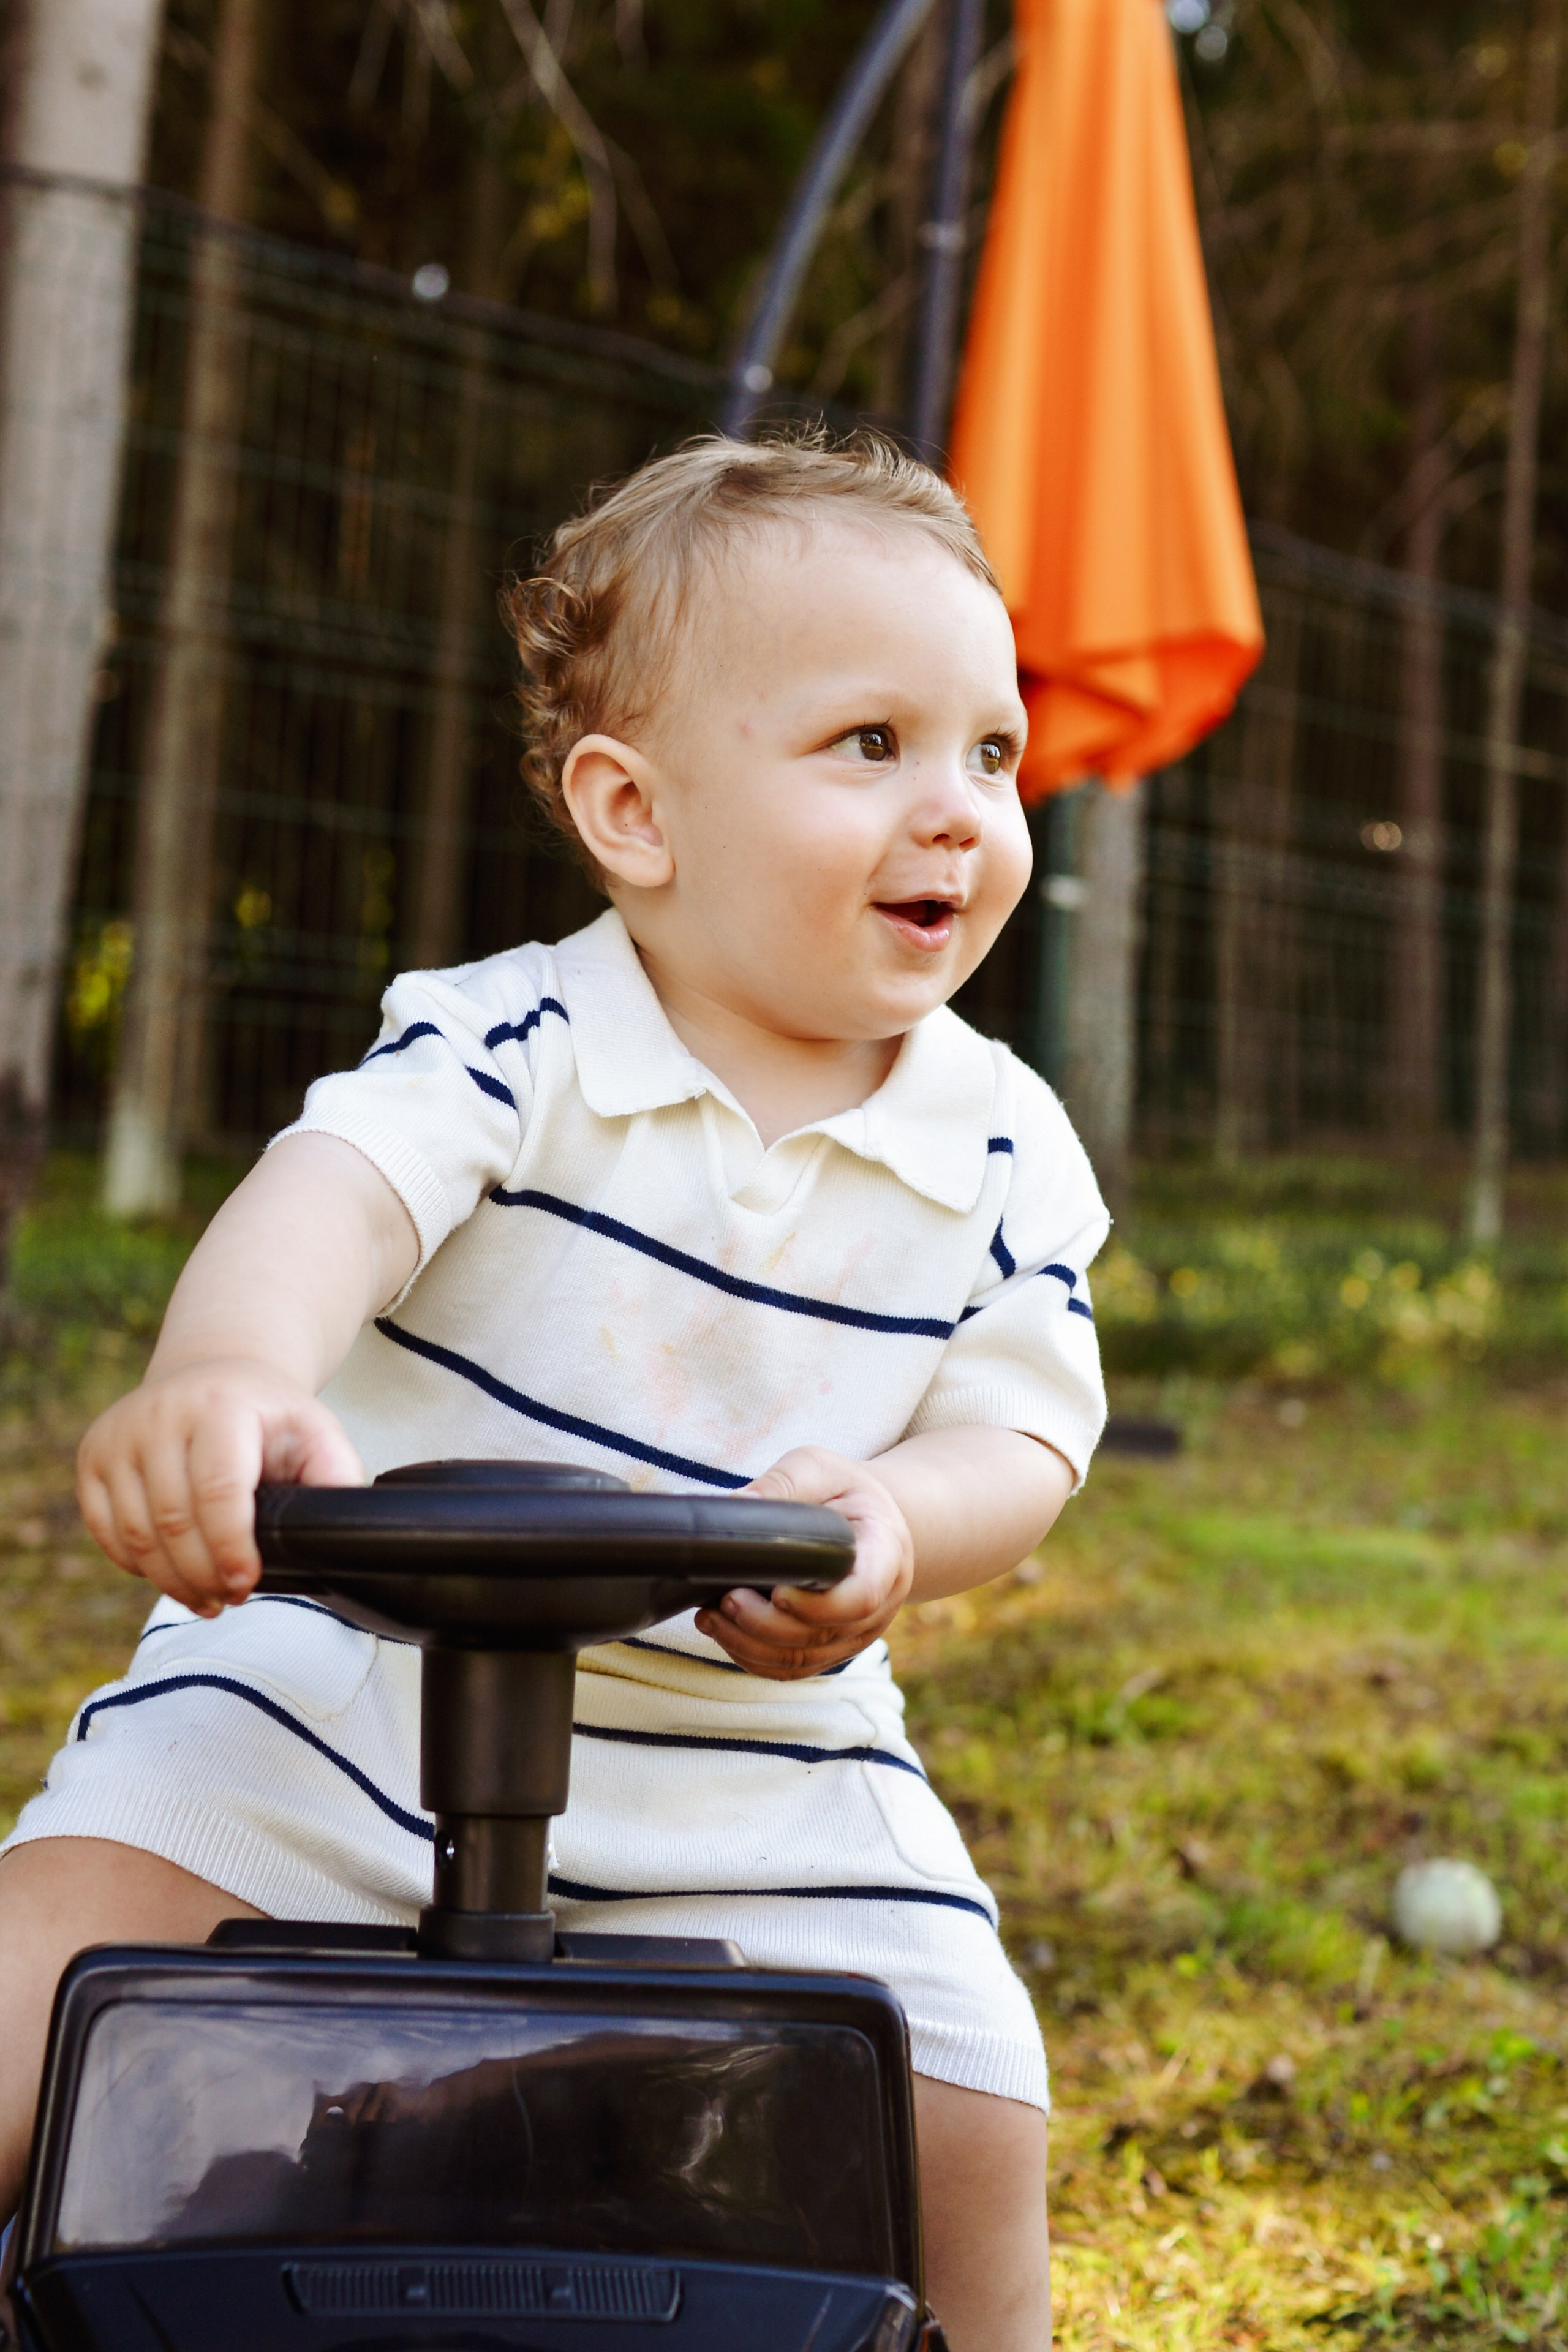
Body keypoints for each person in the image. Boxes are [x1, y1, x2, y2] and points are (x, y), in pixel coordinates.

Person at [0, 431, 1106, 2351]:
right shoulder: (518, 1038)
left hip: (768, 1759)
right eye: (874, 747)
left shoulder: (1003, 1141)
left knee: (979, 2114)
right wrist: (233, 1370)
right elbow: (337, 1191)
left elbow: (1029, 1428)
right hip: (329, 1690)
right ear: (636, 810)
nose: (961, 814)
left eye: (993, 755)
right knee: (32, 1995)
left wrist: (903, 1522)